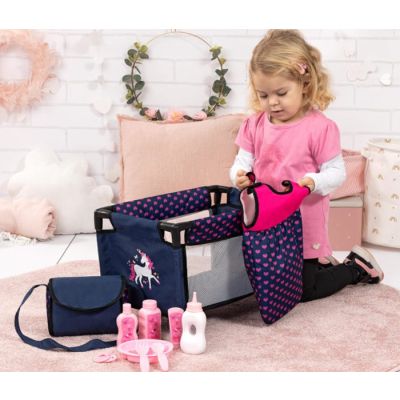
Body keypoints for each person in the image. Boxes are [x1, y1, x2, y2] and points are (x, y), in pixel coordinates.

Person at [230, 29, 384, 302]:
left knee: (301, 291)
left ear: (304, 83)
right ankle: (321, 266)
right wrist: (238, 175)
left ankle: (354, 268)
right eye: (263, 95)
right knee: (262, 281)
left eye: (281, 93)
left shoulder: (319, 128)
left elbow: (336, 173)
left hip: (304, 220)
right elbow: (242, 161)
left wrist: (314, 181)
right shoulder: (254, 124)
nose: (272, 102)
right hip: (267, 220)